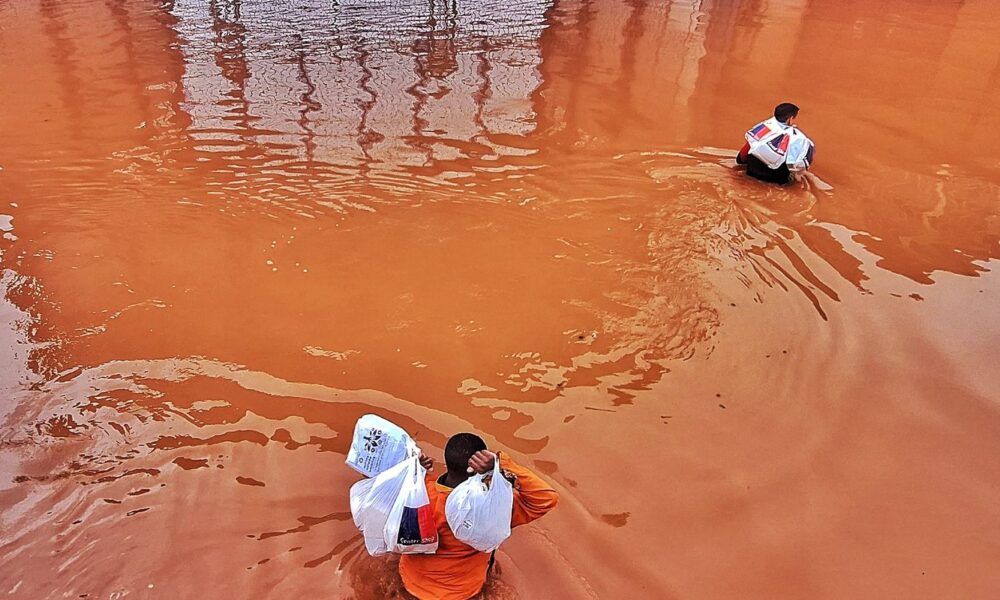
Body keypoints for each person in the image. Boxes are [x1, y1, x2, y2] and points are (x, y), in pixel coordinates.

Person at [399, 433, 559, 600]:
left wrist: (411, 470)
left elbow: (379, 489)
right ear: (477, 468)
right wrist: (500, 463)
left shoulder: (416, 493)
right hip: (463, 593)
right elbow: (547, 498)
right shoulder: (493, 509)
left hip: (411, 585)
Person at [736, 102, 815, 184]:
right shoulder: (799, 138)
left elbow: (745, 151)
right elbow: (800, 166)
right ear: (790, 119)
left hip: (751, 172)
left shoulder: (764, 126)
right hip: (775, 179)